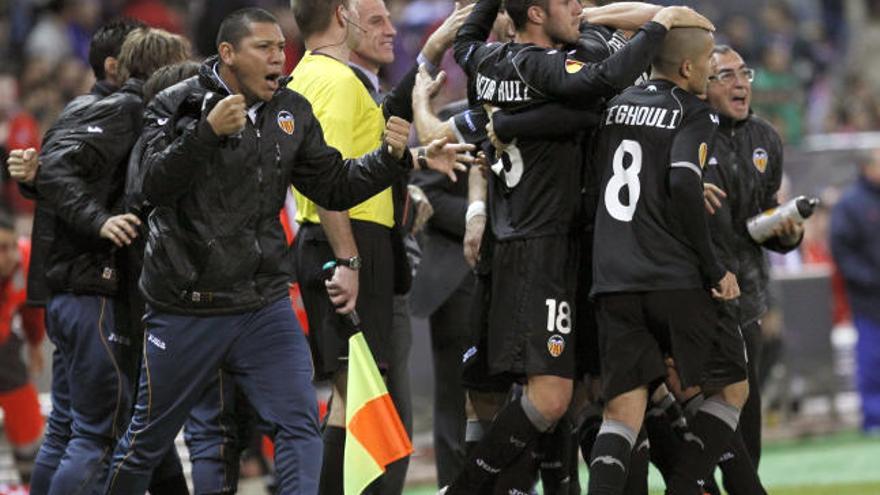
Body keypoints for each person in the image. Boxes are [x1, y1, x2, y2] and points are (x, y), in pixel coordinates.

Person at [102, 8, 465, 494]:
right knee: (146, 441)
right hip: (187, 303)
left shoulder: (291, 109)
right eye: (265, 49)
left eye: (280, 47)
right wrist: (206, 134)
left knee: (297, 425)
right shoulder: (179, 103)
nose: (279, 58)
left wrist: (390, 159)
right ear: (228, 54)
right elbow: (147, 187)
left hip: (262, 302)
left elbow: (333, 185)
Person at [289, 1, 473, 493]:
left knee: (368, 407)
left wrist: (412, 157)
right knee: (359, 407)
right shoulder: (337, 82)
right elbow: (330, 184)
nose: (390, 29)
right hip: (348, 245)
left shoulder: (319, 76)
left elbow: (348, 166)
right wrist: (349, 258)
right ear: (341, 15)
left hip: (352, 244)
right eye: (375, 19)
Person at [11, 24, 190, 495]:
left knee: (69, 428)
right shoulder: (129, 111)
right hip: (97, 290)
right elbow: (61, 172)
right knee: (99, 436)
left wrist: (35, 179)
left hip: (68, 292)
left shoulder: (80, 107)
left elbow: (53, 173)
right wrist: (102, 221)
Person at [703, 44, 804, 471]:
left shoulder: (765, 138)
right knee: (698, 412)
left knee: (748, 418)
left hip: (747, 299)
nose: (740, 82)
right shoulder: (688, 135)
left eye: (744, 73)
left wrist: (788, 232)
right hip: (695, 298)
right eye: (725, 75)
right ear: (699, 84)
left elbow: (763, 215)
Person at [831, 149, 880, 433]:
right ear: (866, 168)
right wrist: (870, 279)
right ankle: (874, 418)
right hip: (869, 299)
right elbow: (843, 252)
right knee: (872, 358)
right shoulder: (851, 205)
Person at [0, 213, 45, 486]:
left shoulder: (25, 261)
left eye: (12, 245)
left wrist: (35, 344)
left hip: (5, 346)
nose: (11, 255)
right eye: (2, 249)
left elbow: (33, 310)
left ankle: (34, 483)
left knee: (26, 415)